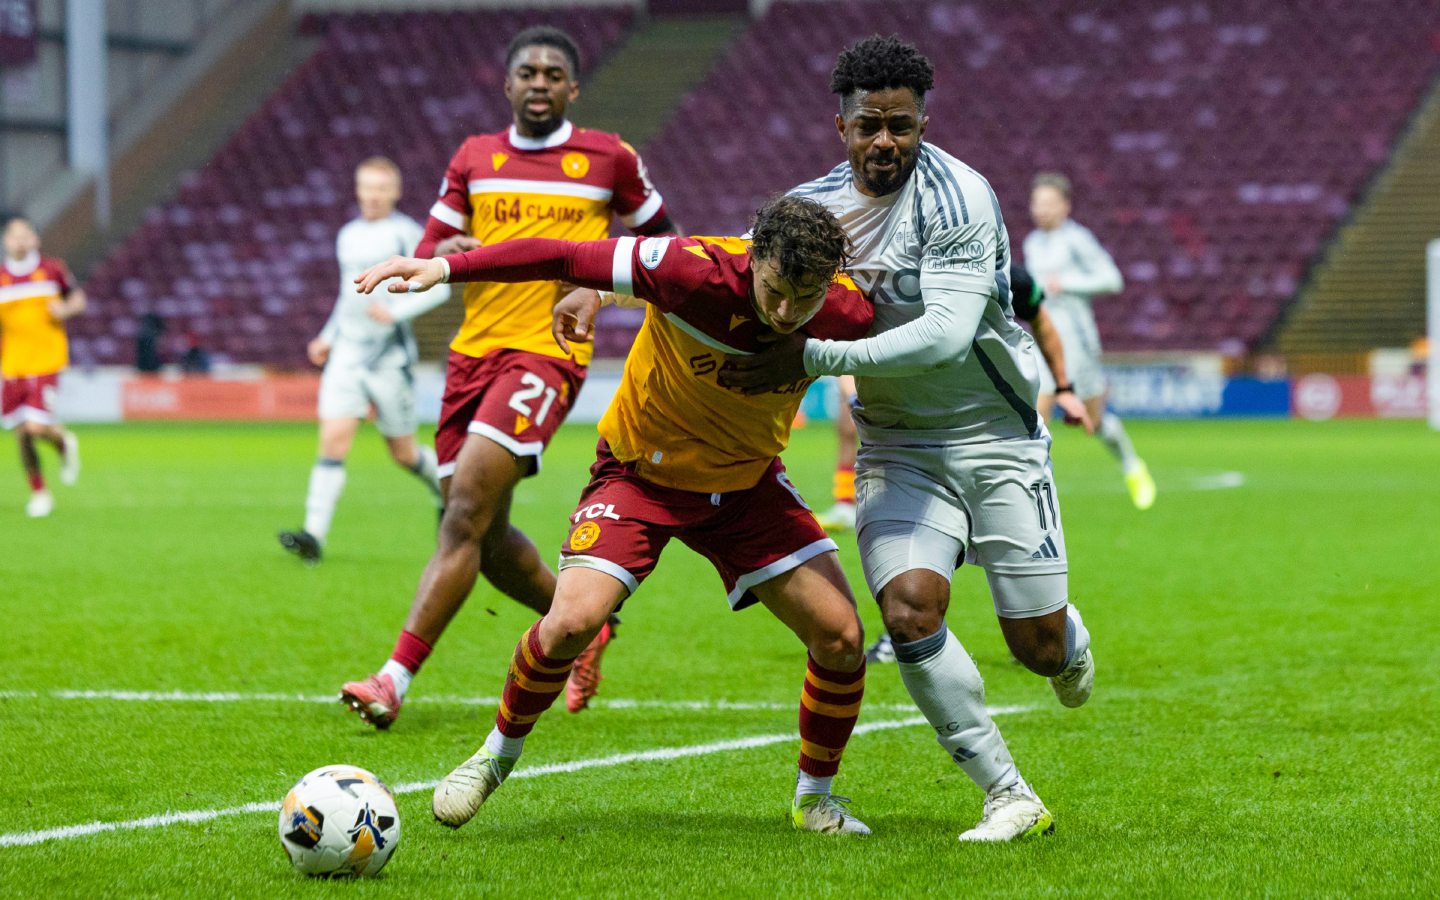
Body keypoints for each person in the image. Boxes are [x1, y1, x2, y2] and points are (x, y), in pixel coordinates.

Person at [355, 194, 875, 834]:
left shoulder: (850, 308)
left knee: (843, 638)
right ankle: (493, 758)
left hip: (745, 487)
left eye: (806, 298)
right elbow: (566, 254)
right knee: (569, 623)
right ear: (753, 259)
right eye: (773, 291)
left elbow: (931, 340)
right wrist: (446, 270)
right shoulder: (694, 268)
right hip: (640, 476)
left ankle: (814, 798)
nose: (787, 312)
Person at [720, 36, 1095, 842]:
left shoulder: (962, 196)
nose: (884, 141)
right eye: (868, 126)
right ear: (841, 126)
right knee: (910, 610)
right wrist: (603, 298)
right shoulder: (811, 211)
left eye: (900, 125)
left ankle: (1068, 644)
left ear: (924, 121)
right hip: (897, 445)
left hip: (995, 437)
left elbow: (946, 336)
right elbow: (731, 280)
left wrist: (814, 357)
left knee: (1036, 647)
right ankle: (1007, 794)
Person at [340, 26, 674, 728]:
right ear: (509, 84)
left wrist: (605, 293)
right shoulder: (474, 158)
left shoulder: (610, 158)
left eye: (556, 73)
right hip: (472, 355)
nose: (541, 82)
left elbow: (663, 248)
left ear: (573, 89)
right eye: (529, 71)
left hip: (545, 354)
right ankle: (588, 627)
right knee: (486, 541)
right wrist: (447, 246)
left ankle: (393, 677)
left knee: (460, 512)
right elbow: (430, 246)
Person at [862, 262, 1094, 664]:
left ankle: (1061, 629)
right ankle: (897, 631)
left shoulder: (1006, 277)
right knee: (912, 557)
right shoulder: (876, 268)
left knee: (1043, 651)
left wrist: (1066, 387)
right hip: (907, 438)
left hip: (994, 437)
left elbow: (1041, 321)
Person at [279, 157, 449, 565]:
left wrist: (396, 313)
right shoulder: (348, 235)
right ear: (357, 190)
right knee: (332, 442)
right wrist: (327, 336)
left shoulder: (406, 233)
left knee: (404, 454)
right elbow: (347, 295)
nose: (372, 195)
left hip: (390, 357)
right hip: (349, 356)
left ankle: (445, 492)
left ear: (394, 192)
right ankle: (313, 537)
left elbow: (439, 289)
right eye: (366, 187)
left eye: (380, 188)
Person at [1024, 172, 1155, 509]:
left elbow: (1113, 280)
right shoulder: (1032, 243)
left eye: (1049, 203)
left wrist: (1066, 283)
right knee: (1036, 411)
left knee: (1094, 422)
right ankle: (1032, 492)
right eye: (1037, 203)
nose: (1041, 209)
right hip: (1043, 338)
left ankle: (1131, 464)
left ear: (1065, 206)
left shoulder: (1078, 239)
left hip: (1078, 342)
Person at [0, 215, 84, 518]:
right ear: (6, 241)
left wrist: (65, 309)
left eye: (25, 235)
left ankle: (60, 440)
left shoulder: (51, 270)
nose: (20, 241)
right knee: (21, 433)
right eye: (14, 236)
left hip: (46, 361)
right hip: (12, 366)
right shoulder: (1, 278)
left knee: (34, 427)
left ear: (35, 239)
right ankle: (39, 492)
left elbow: (78, 299)